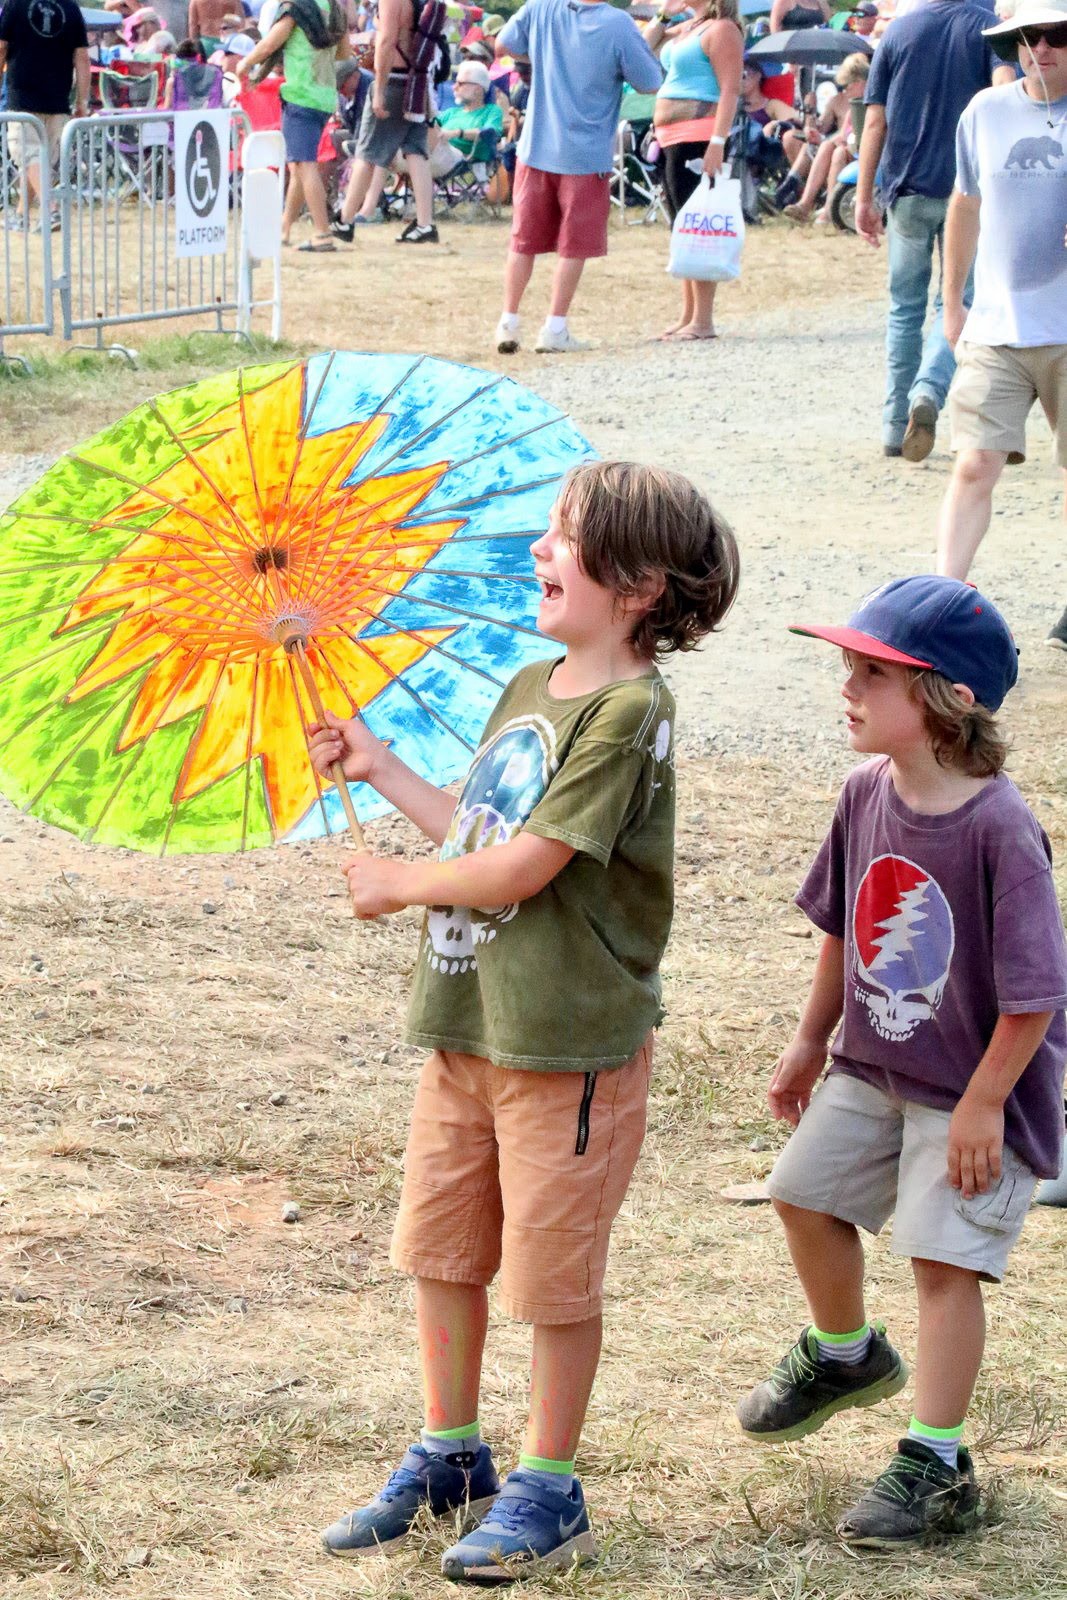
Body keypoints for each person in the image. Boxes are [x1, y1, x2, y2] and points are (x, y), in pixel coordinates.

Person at [311, 461, 739, 1582]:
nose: (538, 554)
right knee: (442, 1247)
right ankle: (451, 1452)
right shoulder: (529, 684)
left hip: (567, 1045)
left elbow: (526, 866)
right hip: (471, 1020)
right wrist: (380, 765)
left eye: (561, 538)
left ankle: (548, 1487)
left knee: (550, 1273)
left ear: (638, 583)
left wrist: (399, 885)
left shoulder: (629, 710)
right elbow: (482, 831)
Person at [737, 575, 1067, 1548]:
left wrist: (978, 1112)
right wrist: (808, 1040)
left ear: (944, 700)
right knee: (799, 1193)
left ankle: (934, 1461)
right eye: (847, 668)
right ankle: (843, 1353)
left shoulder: (997, 826)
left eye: (869, 674)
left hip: (976, 1086)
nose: (845, 688)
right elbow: (842, 924)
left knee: (940, 1259)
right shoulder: (860, 793)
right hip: (872, 1066)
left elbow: (1034, 995)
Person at [933, 0, 1067, 654]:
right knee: (972, 464)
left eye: (1057, 36)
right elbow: (965, 203)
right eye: (1026, 36)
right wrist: (950, 301)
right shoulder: (983, 112)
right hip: (996, 327)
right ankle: (939, 603)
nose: (1040, 48)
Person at [856, 0, 1015, 461]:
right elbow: (1005, 94)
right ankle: (928, 390)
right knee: (962, 300)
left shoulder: (898, 31)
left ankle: (891, 425)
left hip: (905, 188)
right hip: (968, 194)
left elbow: (874, 121)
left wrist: (864, 197)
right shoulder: (989, 31)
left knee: (903, 307)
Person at [493, 0, 662, 355]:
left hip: (536, 145)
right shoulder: (618, 24)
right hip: (586, 153)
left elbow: (503, 45)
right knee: (574, 244)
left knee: (522, 240)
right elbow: (649, 82)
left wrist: (543, 54)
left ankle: (508, 321)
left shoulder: (540, 8)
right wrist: (658, 31)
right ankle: (555, 326)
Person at [643, 0, 743, 342]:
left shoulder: (723, 29)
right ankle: (688, 314)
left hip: (699, 132)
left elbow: (730, 88)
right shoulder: (687, 27)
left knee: (697, 224)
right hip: (670, 134)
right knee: (680, 225)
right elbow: (645, 47)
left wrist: (718, 139)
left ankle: (703, 319)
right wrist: (663, 14)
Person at [235, 0, 349, 252]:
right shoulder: (333, 8)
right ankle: (284, 227)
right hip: (325, 96)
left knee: (304, 165)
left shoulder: (297, 8)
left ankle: (322, 233)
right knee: (298, 165)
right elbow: (343, 54)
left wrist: (245, 64)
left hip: (300, 94)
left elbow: (269, 43)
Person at [331, 0, 441, 244]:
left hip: (393, 82)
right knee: (416, 152)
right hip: (415, 82)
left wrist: (379, 90)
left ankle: (344, 220)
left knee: (366, 152)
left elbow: (387, 41)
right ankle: (425, 224)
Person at [0, 0, 89, 229]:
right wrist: (82, 102)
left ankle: (51, 210)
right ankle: (21, 216)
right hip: (58, 97)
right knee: (39, 160)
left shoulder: (15, 5)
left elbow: (1, 48)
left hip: (23, 95)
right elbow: (81, 57)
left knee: (29, 156)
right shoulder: (70, 7)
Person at [783, 51, 867, 224]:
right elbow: (840, 135)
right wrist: (810, 111)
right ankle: (805, 204)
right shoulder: (851, 107)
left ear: (860, 83)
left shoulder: (872, 105)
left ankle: (829, 210)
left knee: (836, 152)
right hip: (850, 148)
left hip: (865, 152)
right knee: (827, 146)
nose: (845, 90)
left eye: (848, 86)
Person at [437, 56, 503, 155]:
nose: (454, 87)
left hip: (471, 165)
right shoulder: (450, 113)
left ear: (477, 89)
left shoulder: (491, 111)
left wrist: (456, 133)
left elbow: (490, 133)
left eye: (460, 83)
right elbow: (429, 126)